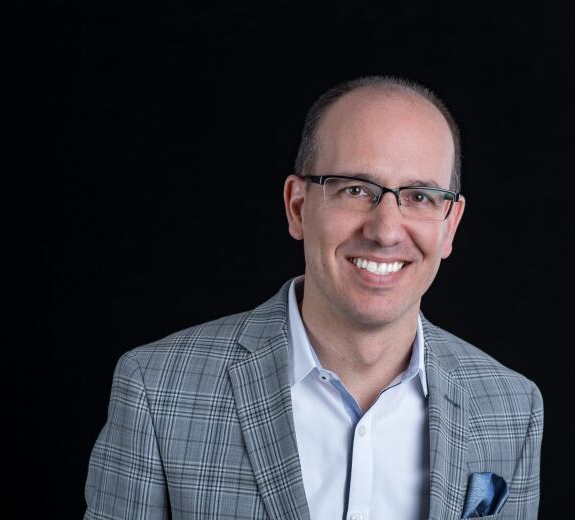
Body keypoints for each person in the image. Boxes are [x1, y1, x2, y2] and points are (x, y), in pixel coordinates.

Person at [84, 76, 543, 520]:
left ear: (451, 224)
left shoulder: (510, 408)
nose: (384, 230)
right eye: (355, 189)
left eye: (420, 196)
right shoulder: (158, 389)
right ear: (297, 206)